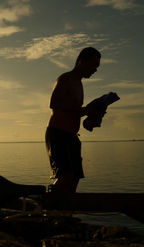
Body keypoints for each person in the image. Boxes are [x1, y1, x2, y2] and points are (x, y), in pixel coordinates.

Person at [45, 47, 101, 195]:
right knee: (66, 176)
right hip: (58, 135)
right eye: (94, 65)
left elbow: (73, 111)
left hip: (72, 137)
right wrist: (84, 110)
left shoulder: (79, 84)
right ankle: (47, 203)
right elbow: (54, 104)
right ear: (82, 61)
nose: (95, 69)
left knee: (75, 177)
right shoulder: (65, 79)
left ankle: (66, 213)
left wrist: (91, 115)